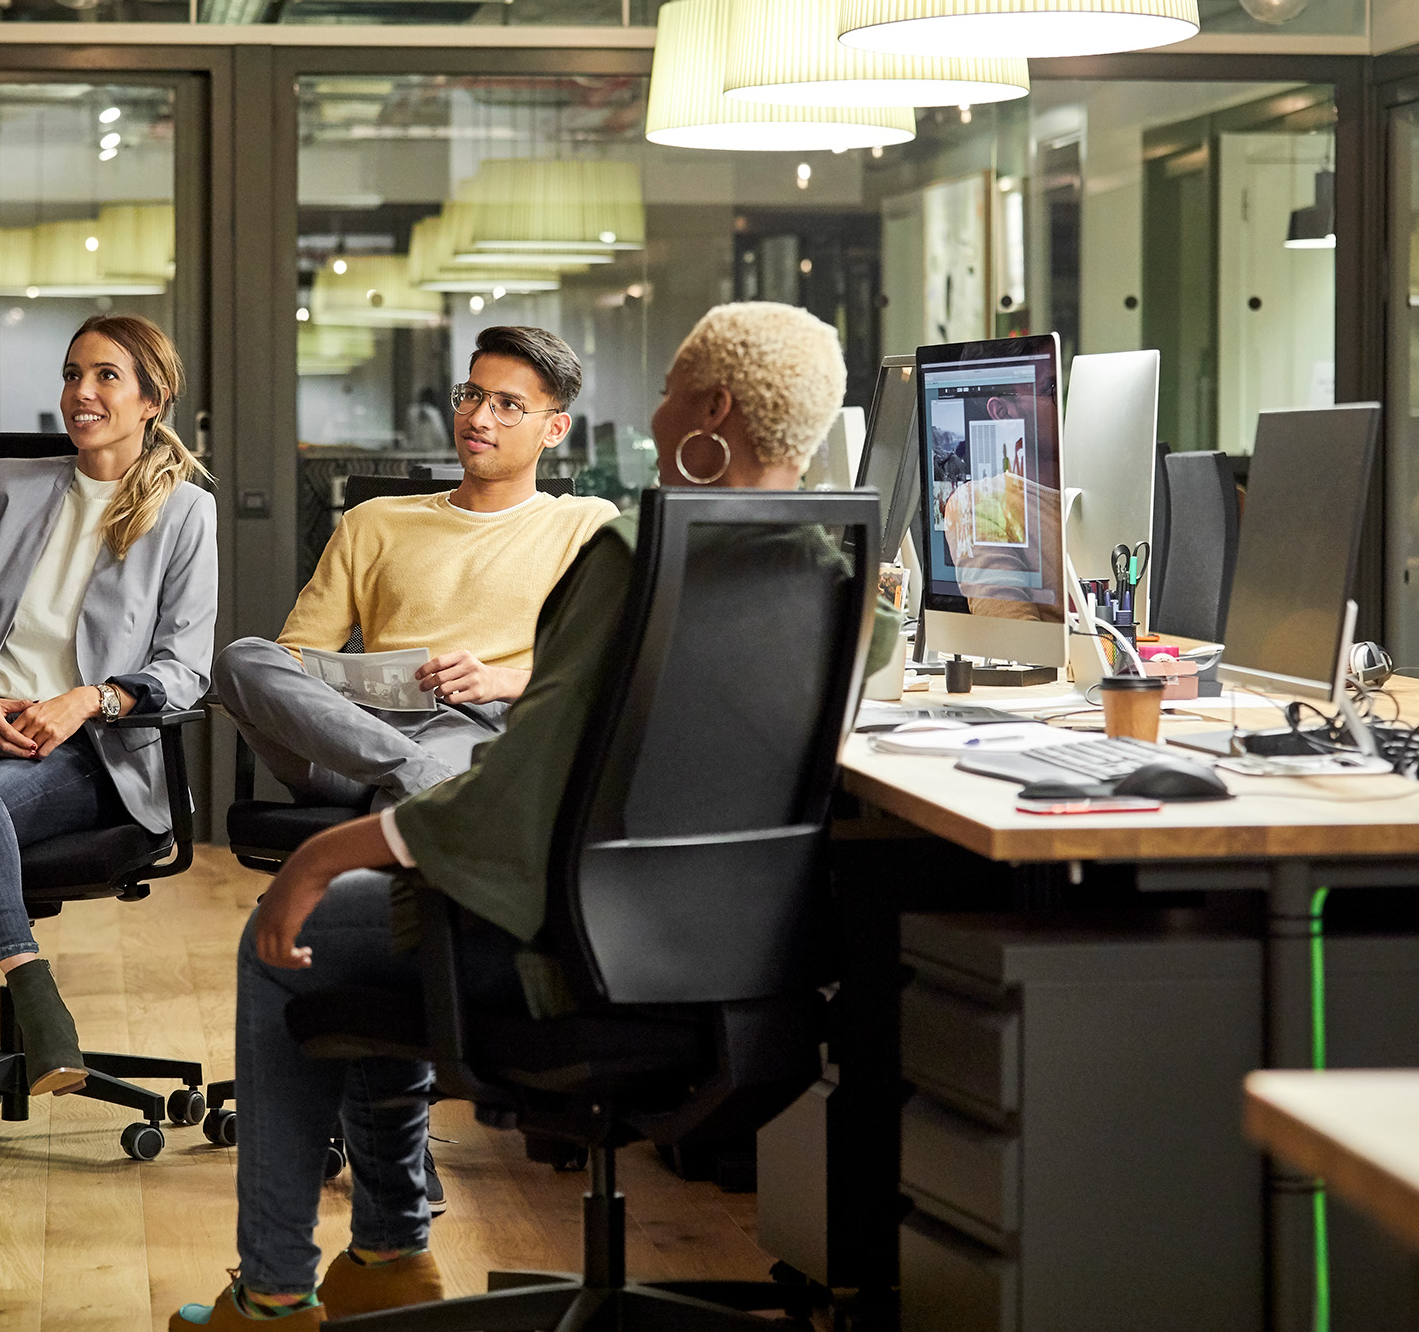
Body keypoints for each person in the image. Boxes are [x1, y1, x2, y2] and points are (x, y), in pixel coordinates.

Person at [170, 302, 897, 1332]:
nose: (652, 413)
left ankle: (278, 1292)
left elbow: (515, 793)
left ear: (715, 407)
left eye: (668, 389)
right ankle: (385, 1249)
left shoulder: (631, 554)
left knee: (298, 933)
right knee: (381, 920)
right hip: (737, 954)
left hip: (570, 948)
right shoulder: (833, 567)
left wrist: (321, 855)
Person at [0, 315, 217, 1192]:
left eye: (105, 376)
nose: (81, 394)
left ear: (152, 398)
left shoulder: (186, 512)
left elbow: (186, 667)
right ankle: (28, 979)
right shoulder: (9, 485)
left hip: (93, 761)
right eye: (71, 375)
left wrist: (84, 702)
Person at [213, 325, 617, 813]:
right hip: (350, 737)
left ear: (554, 429)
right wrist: (344, 698)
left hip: (481, 730)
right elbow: (296, 658)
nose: (479, 418)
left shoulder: (585, 523)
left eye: (508, 406)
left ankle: (419, 795)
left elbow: (608, 668)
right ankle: (429, 786)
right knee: (242, 660)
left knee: (408, 809)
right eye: (471, 395)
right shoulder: (373, 520)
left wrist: (500, 681)